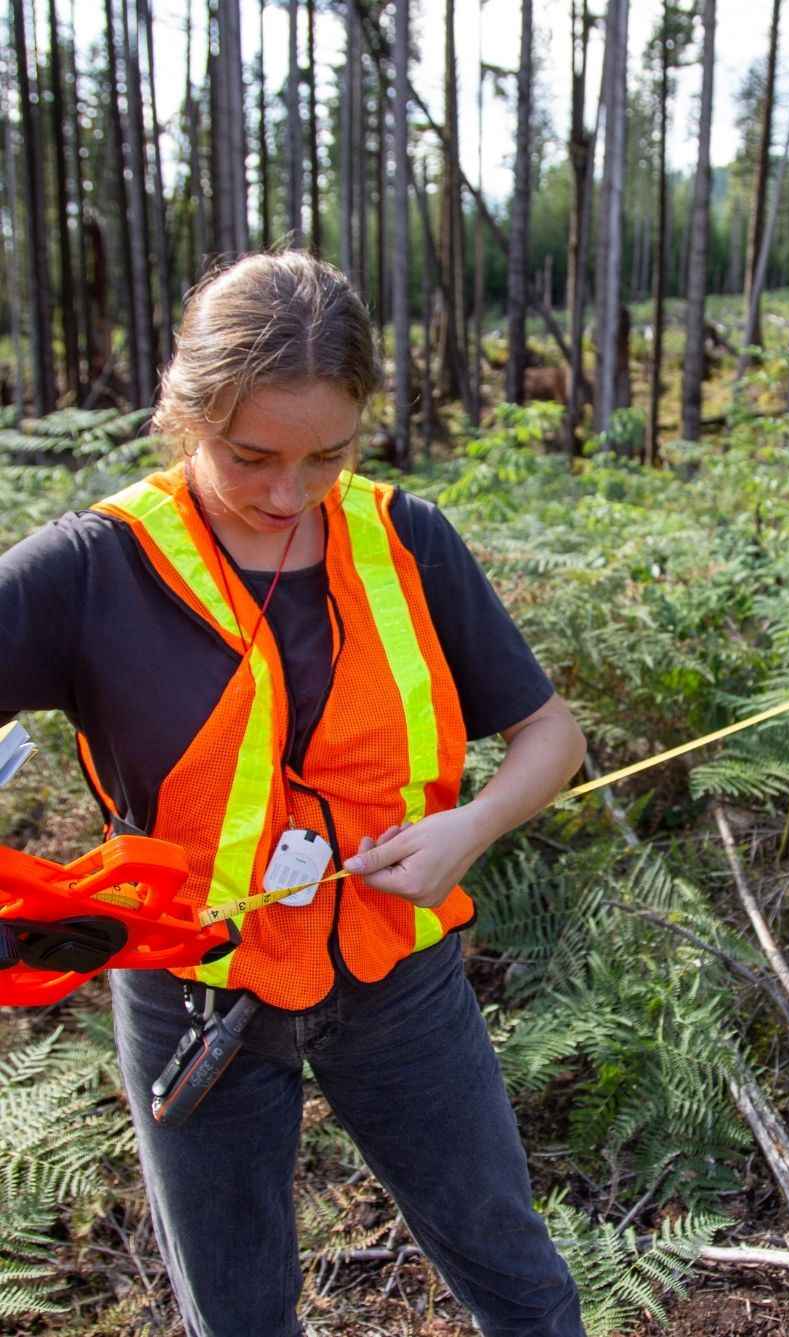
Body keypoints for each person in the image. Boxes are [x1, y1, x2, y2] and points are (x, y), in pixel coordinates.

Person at [0, 251, 588, 1337]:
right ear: (183, 412)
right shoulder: (91, 569)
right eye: (250, 454)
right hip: (193, 994)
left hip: (398, 970)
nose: (287, 492)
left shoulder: (405, 540)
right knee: (239, 1314)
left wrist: (475, 821)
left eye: (328, 454)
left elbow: (551, 733)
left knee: (518, 1275)